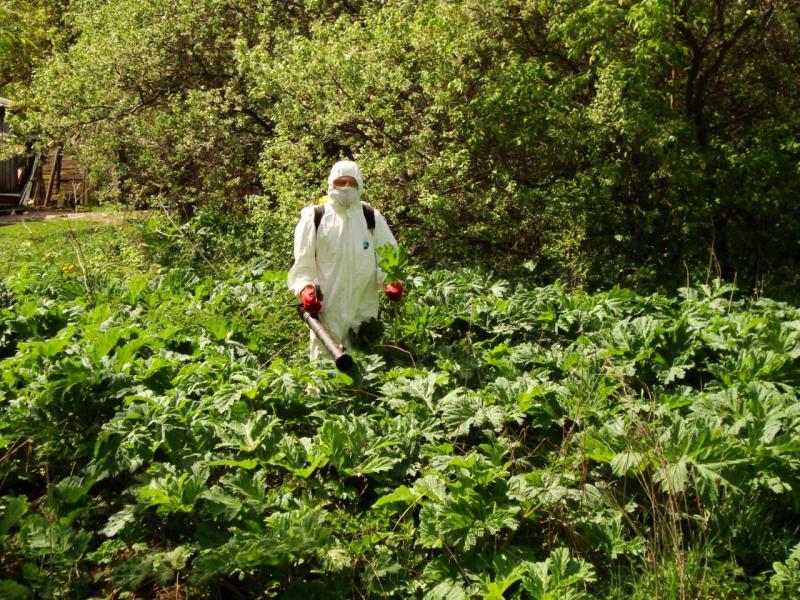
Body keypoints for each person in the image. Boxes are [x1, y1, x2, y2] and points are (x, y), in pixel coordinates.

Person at [287, 160, 403, 360]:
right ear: (331, 184)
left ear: (360, 185)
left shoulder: (370, 217)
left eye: (351, 182)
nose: (346, 187)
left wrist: (390, 281)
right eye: (341, 182)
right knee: (324, 364)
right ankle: (323, 392)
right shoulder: (315, 217)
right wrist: (305, 288)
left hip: (363, 304)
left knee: (364, 359)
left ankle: (361, 392)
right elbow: (303, 263)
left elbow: (388, 255)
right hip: (327, 305)